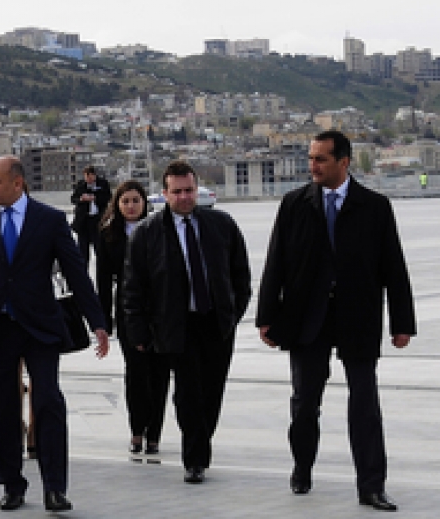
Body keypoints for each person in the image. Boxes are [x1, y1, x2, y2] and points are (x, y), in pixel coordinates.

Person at [256, 130, 416, 512]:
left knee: (365, 403)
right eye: (310, 158)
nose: (312, 166)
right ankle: (302, 468)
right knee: (305, 402)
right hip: (306, 318)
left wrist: (402, 322)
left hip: (357, 318)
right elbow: (275, 262)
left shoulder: (375, 207)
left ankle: (371, 486)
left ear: (344, 162)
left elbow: (393, 266)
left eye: (320, 159)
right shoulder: (294, 204)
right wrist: (266, 317)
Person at [0, 155, 109, 513]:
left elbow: (77, 273)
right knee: (2, 409)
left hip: (39, 328)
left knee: (48, 402)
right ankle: (12, 484)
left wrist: (98, 322)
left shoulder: (49, 220)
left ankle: (55, 487)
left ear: (17, 183)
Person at [122, 160, 251, 485]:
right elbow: (133, 287)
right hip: (175, 326)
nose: (183, 197)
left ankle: (200, 444)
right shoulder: (147, 235)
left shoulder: (222, 225)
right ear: (164, 194)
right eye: (176, 192)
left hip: (216, 323)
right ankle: (194, 459)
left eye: (189, 190)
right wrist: (138, 330)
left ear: (198, 190)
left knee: (212, 391)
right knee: (187, 393)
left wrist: (233, 313)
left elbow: (241, 276)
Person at [96, 180, 170, 455]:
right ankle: (137, 430)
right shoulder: (108, 234)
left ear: (144, 203)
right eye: (125, 201)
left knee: (160, 374)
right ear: (117, 204)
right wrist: (102, 320)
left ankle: (155, 434)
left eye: (135, 201)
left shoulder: (159, 230)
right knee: (136, 373)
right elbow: (103, 280)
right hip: (128, 310)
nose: (130, 206)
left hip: (160, 311)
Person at [70, 166, 111, 266]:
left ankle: (103, 272)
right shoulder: (80, 185)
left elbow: (108, 197)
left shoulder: (103, 184)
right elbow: (73, 199)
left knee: (100, 249)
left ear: (94, 175)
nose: (88, 179)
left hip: (98, 220)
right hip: (84, 221)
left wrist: (95, 197)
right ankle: (83, 275)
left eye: (90, 176)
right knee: (83, 252)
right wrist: (81, 199)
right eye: (86, 177)